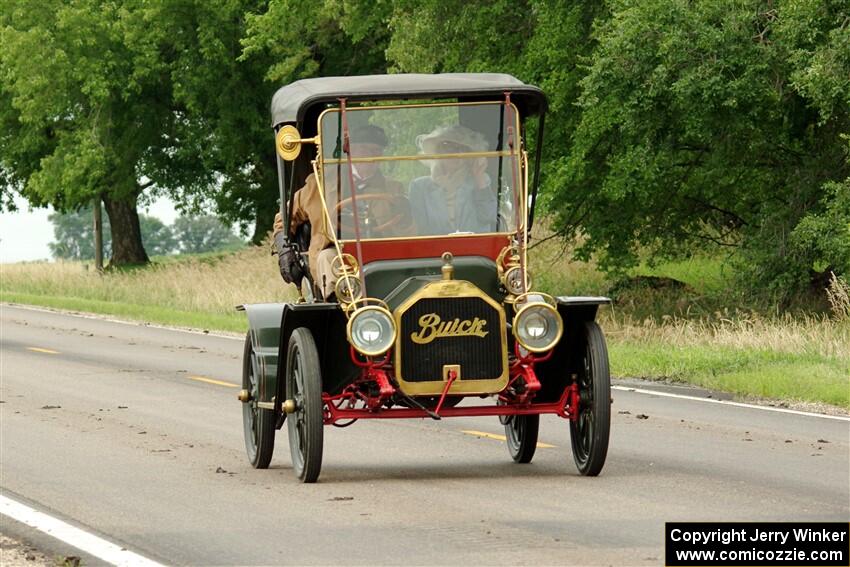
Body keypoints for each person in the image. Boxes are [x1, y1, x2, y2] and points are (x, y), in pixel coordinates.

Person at [273, 124, 409, 299]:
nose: (370, 157)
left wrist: (405, 217)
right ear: (350, 152)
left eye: (375, 151)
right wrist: (284, 249)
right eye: (364, 150)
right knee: (326, 258)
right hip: (336, 253)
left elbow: (407, 233)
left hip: (381, 254)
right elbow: (284, 217)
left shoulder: (394, 188)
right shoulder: (319, 184)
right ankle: (342, 306)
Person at [408, 125, 497, 235]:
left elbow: (489, 216)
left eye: (462, 149)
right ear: (438, 152)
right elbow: (421, 228)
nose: (456, 153)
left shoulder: (479, 180)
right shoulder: (419, 186)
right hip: (435, 249)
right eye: (448, 147)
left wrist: (479, 178)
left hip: (475, 249)